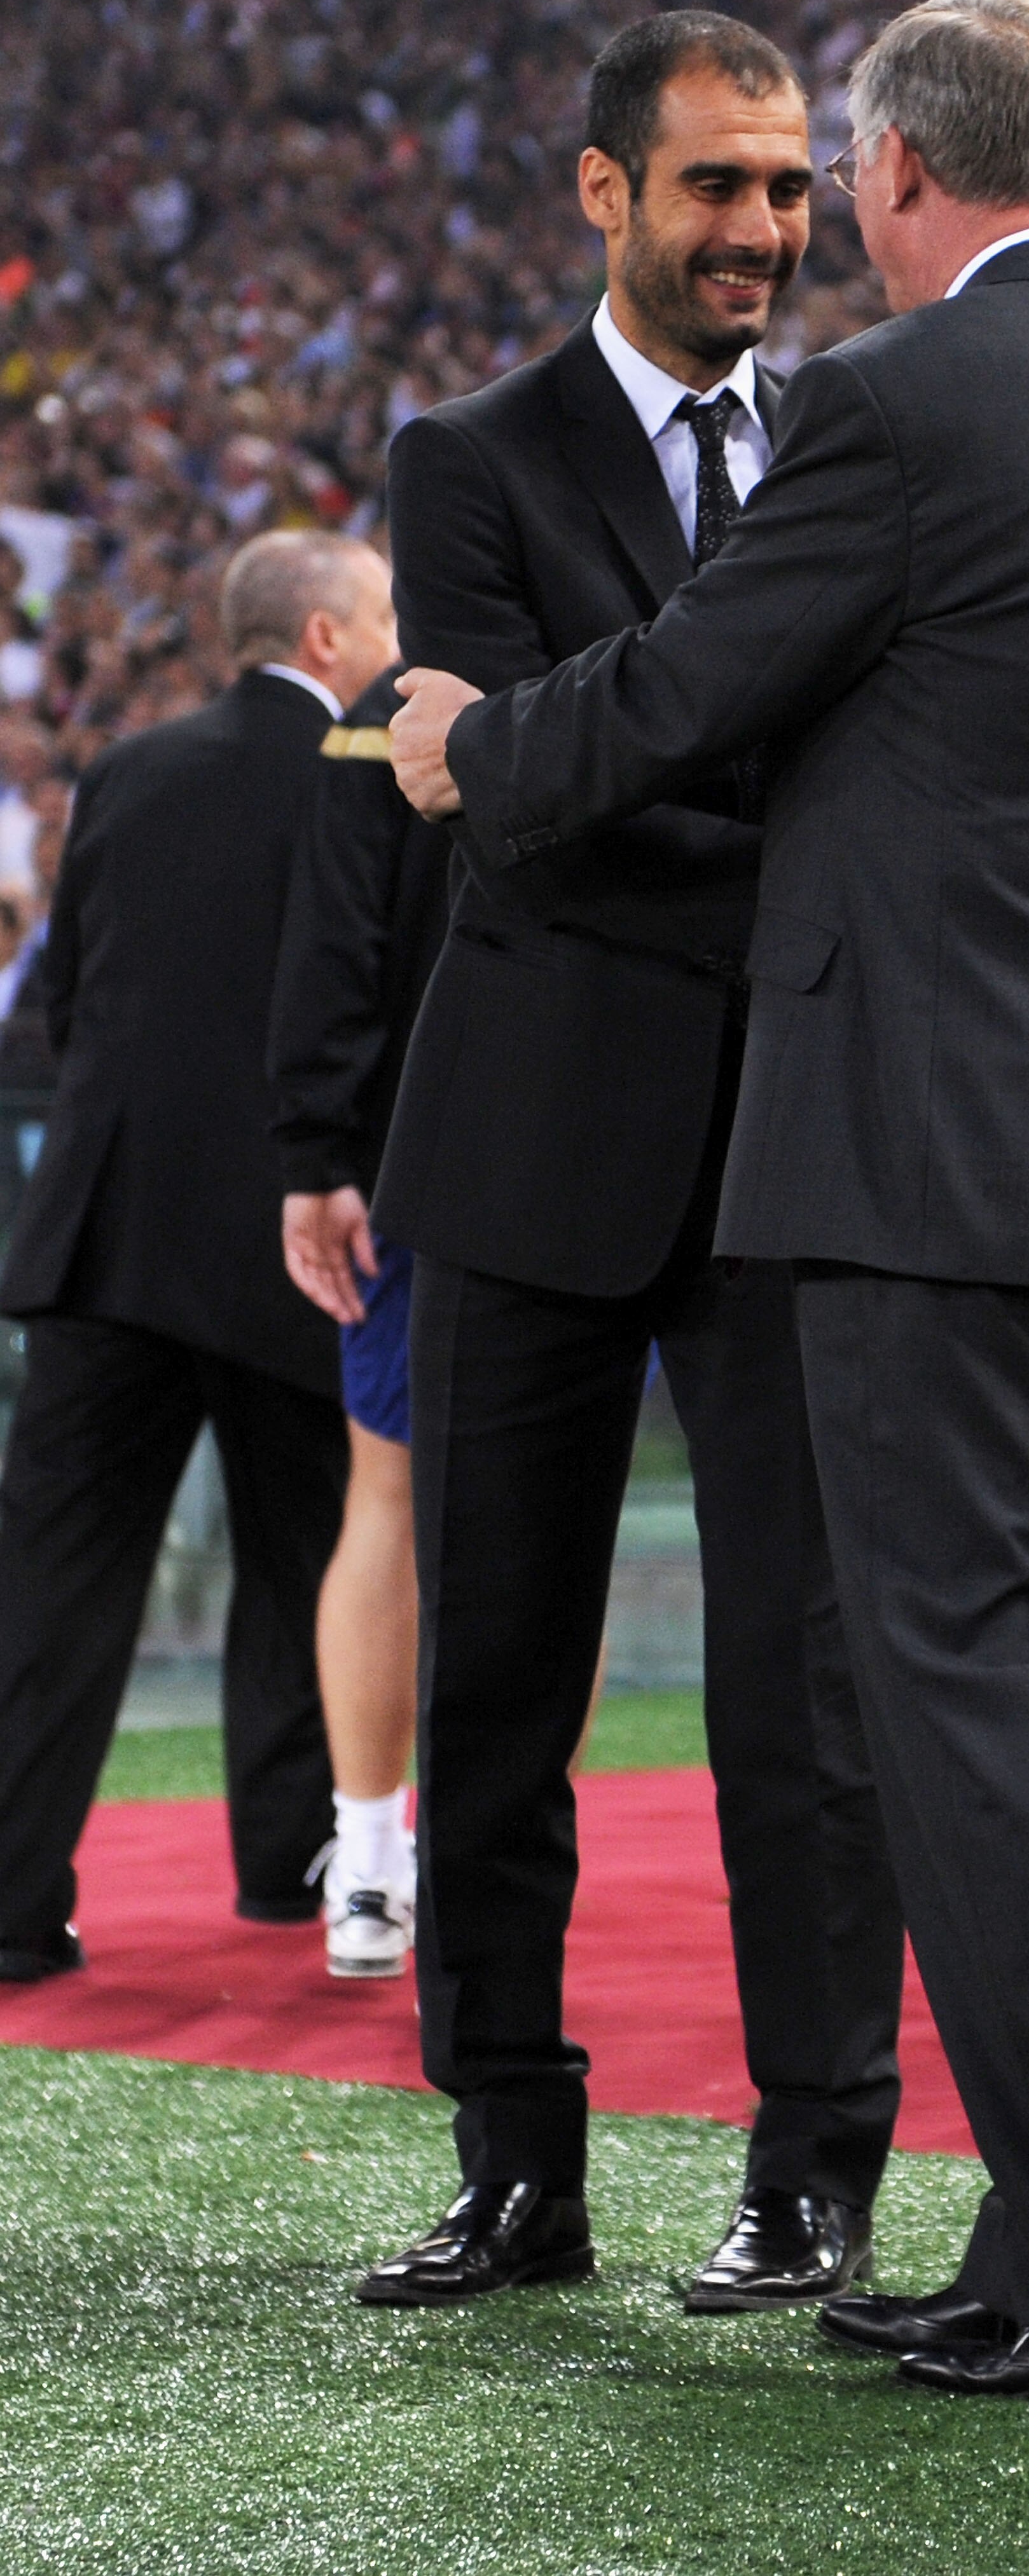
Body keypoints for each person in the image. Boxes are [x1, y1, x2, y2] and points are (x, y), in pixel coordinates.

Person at [392, 0, 1029, 2399]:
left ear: (895, 177)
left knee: (955, 1688)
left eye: (822, 177)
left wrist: (469, 747)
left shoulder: (885, 407)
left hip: (920, 1163)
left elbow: (675, 693)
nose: (811, 217)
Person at [355, 13, 915, 2318]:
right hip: (527, 1147)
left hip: (798, 1146)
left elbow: (542, 773)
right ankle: (514, 2158)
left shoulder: (870, 438)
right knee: (494, 1670)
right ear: (602, 190)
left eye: (789, 188)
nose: (762, 234)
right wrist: (792, 837)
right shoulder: (465, 459)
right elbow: (538, 824)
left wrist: (553, 768)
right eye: (715, 187)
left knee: (809, 1690)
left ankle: (816, 2167)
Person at [0, 530, 396, 1977]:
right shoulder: (364, 781)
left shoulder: (122, 771)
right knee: (307, 1556)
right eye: (383, 614)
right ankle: (292, 1864)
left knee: (52, 1576)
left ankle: (8, 1901)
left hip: (104, 1232)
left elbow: (72, 993)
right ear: (326, 641)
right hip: (294, 1234)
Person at [267, 663, 450, 1978]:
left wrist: (316, 1145)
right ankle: (447, 1854)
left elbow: (337, 932)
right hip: (630, 1143)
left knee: (388, 1494)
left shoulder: (389, 698)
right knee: (571, 1501)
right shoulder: (682, 624)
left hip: (420, 1150)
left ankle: (377, 1861)